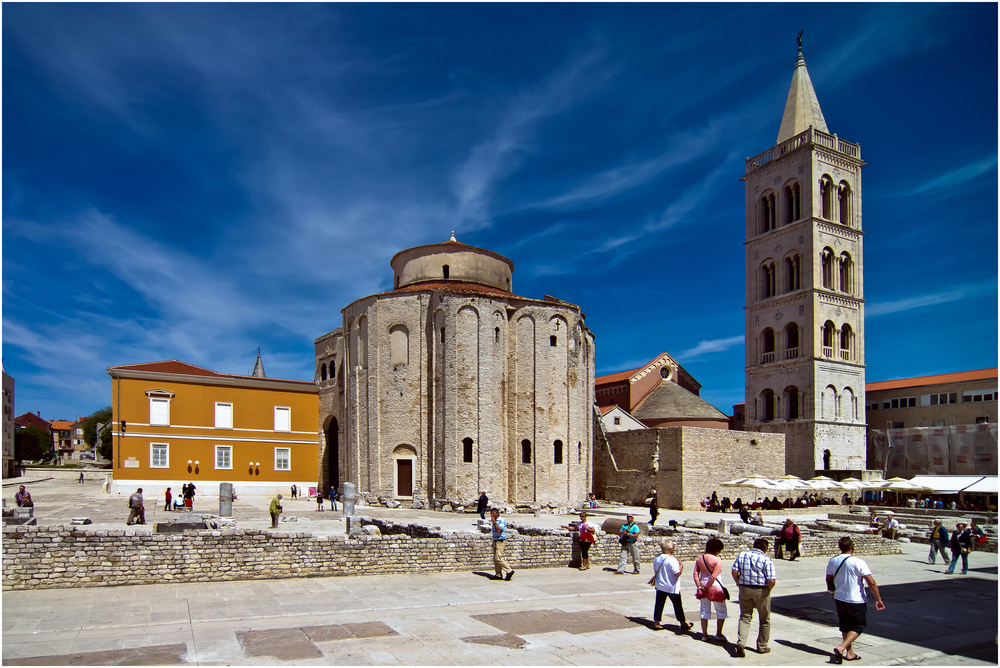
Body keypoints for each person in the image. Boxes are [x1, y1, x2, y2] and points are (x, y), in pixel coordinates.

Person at [827, 536, 885, 663]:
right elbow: (871, 583)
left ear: (840, 547)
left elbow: (829, 579)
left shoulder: (833, 561)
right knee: (859, 626)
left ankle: (850, 653)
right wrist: (878, 599)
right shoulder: (858, 562)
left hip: (840, 598)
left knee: (845, 626)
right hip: (856, 599)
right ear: (852, 547)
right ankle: (841, 648)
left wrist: (832, 592)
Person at [731, 537, 775, 657]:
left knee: (745, 617)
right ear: (765, 548)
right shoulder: (766, 559)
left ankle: (741, 643)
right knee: (764, 620)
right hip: (761, 590)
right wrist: (768, 590)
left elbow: (734, 571)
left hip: (744, 588)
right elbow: (771, 580)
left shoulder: (742, 555)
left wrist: (738, 583)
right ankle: (762, 646)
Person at [650, 540, 692, 631]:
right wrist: (681, 565)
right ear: (670, 549)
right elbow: (677, 573)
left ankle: (657, 623)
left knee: (659, 604)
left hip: (660, 584)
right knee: (677, 605)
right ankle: (683, 622)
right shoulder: (672, 560)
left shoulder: (657, 557)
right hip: (671, 586)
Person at [693, 537, 728, 642]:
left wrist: (700, 586)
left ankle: (704, 634)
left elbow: (695, 574)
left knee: (704, 610)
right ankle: (719, 633)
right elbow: (713, 576)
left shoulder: (700, 558)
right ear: (717, 550)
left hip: (702, 586)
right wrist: (708, 586)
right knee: (721, 610)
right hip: (715, 587)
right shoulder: (717, 560)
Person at [490, 508, 514, 581]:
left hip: (500, 541)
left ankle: (509, 570)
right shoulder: (496, 521)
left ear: (497, 514)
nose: (491, 515)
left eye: (493, 513)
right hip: (495, 540)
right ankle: (498, 574)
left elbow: (499, 530)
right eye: (491, 513)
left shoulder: (501, 521)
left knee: (498, 558)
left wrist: (494, 522)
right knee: (495, 559)